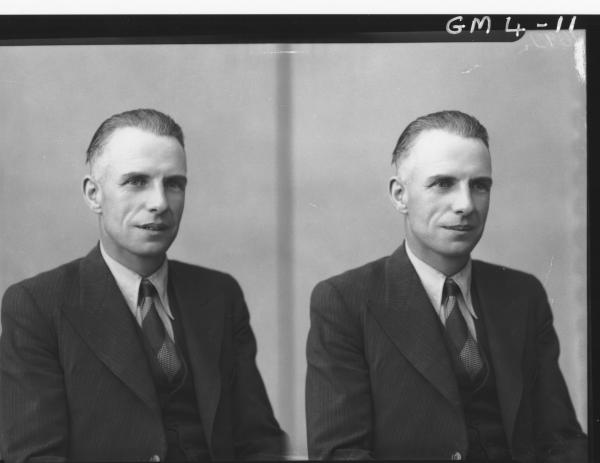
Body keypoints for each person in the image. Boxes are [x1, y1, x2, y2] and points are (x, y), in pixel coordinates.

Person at [0, 109, 286, 462]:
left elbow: (259, 441)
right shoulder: (37, 305)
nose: (160, 203)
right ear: (93, 194)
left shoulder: (219, 295)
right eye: (136, 181)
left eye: (173, 184)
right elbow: (34, 456)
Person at [305, 110, 587, 461]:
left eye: (479, 185)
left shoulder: (523, 295)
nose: (466, 205)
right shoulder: (345, 302)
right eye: (443, 184)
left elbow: (562, 440)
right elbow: (339, 453)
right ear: (399, 195)